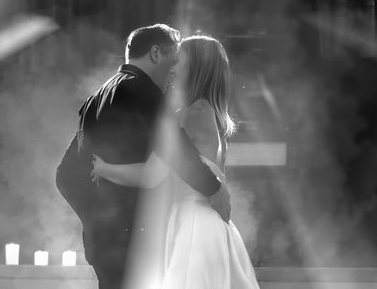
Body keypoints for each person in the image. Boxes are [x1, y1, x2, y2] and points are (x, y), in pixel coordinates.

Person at [55, 24, 231, 289]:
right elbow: (177, 153)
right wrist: (214, 189)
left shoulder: (94, 99)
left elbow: (65, 176)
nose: (173, 69)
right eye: (174, 58)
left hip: (107, 242)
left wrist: (97, 221)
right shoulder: (144, 92)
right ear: (156, 54)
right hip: (134, 237)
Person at [91, 34, 259, 289]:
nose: (172, 66)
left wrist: (104, 168)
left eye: (179, 60)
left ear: (196, 67)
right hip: (212, 227)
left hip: (194, 226)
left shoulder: (191, 114)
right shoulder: (209, 113)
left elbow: (151, 175)